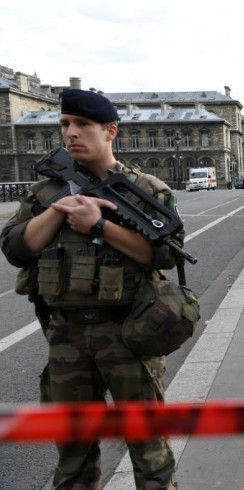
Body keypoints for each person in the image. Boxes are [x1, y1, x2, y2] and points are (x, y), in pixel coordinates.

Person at [0, 89, 180, 488]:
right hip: (66, 335)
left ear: (111, 131)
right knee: (73, 457)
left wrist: (98, 226)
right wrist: (58, 210)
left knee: (150, 452)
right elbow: (15, 249)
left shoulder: (146, 190)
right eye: (65, 124)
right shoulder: (46, 192)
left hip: (129, 333)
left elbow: (163, 256)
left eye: (82, 125)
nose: (70, 133)